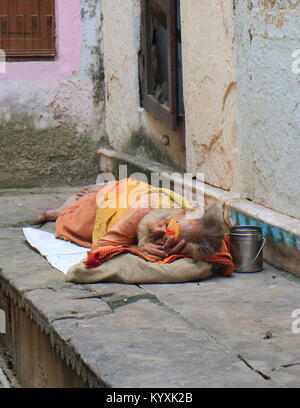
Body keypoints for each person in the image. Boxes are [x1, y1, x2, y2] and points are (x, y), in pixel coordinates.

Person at [36, 178, 233, 273]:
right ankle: (72, 203)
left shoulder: (192, 222)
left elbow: (217, 247)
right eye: (166, 223)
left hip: (128, 193)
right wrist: (134, 249)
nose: (156, 229)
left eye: (165, 236)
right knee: (67, 220)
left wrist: (188, 249)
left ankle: (103, 187)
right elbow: (100, 247)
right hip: (108, 204)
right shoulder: (145, 210)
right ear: (179, 213)